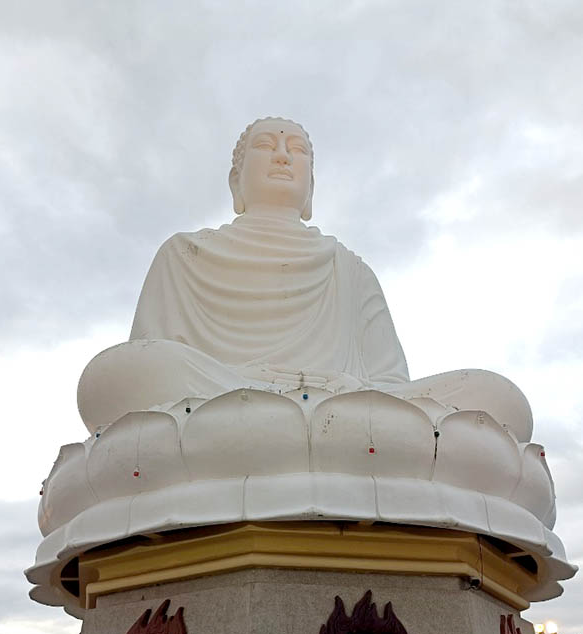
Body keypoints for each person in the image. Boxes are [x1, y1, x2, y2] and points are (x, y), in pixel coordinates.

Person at [77, 117, 533, 443]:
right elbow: (153, 358)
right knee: (113, 376)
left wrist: (339, 393)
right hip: (217, 396)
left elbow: (389, 383)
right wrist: (255, 383)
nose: (281, 155)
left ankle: (294, 426)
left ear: (310, 187)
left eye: (297, 151)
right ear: (236, 181)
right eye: (265, 147)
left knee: (498, 400)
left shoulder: (349, 269)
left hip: (344, 409)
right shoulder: (184, 253)